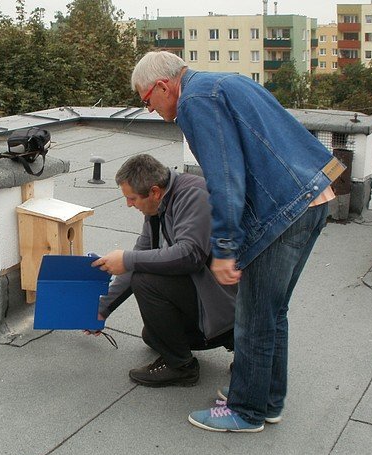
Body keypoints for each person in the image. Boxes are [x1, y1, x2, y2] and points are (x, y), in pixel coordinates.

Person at [130, 51, 343, 432]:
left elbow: (225, 176)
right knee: (273, 312)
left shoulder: (195, 101)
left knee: (254, 317)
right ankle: (267, 400)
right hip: (312, 196)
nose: (151, 110)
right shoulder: (226, 81)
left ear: (163, 86)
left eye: (147, 101)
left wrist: (225, 247)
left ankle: (245, 410)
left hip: (281, 210)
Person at [91, 153, 236, 388]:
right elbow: (139, 257)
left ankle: (182, 367)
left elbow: (190, 255)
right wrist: (102, 309)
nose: (129, 205)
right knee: (153, 336)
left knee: (145, 280)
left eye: (132, 198)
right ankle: (226, 337)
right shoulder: (157, 208)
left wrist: (127, 259)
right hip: (205, 294)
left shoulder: (194, 195)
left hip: (225, 301)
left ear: (155, 192)